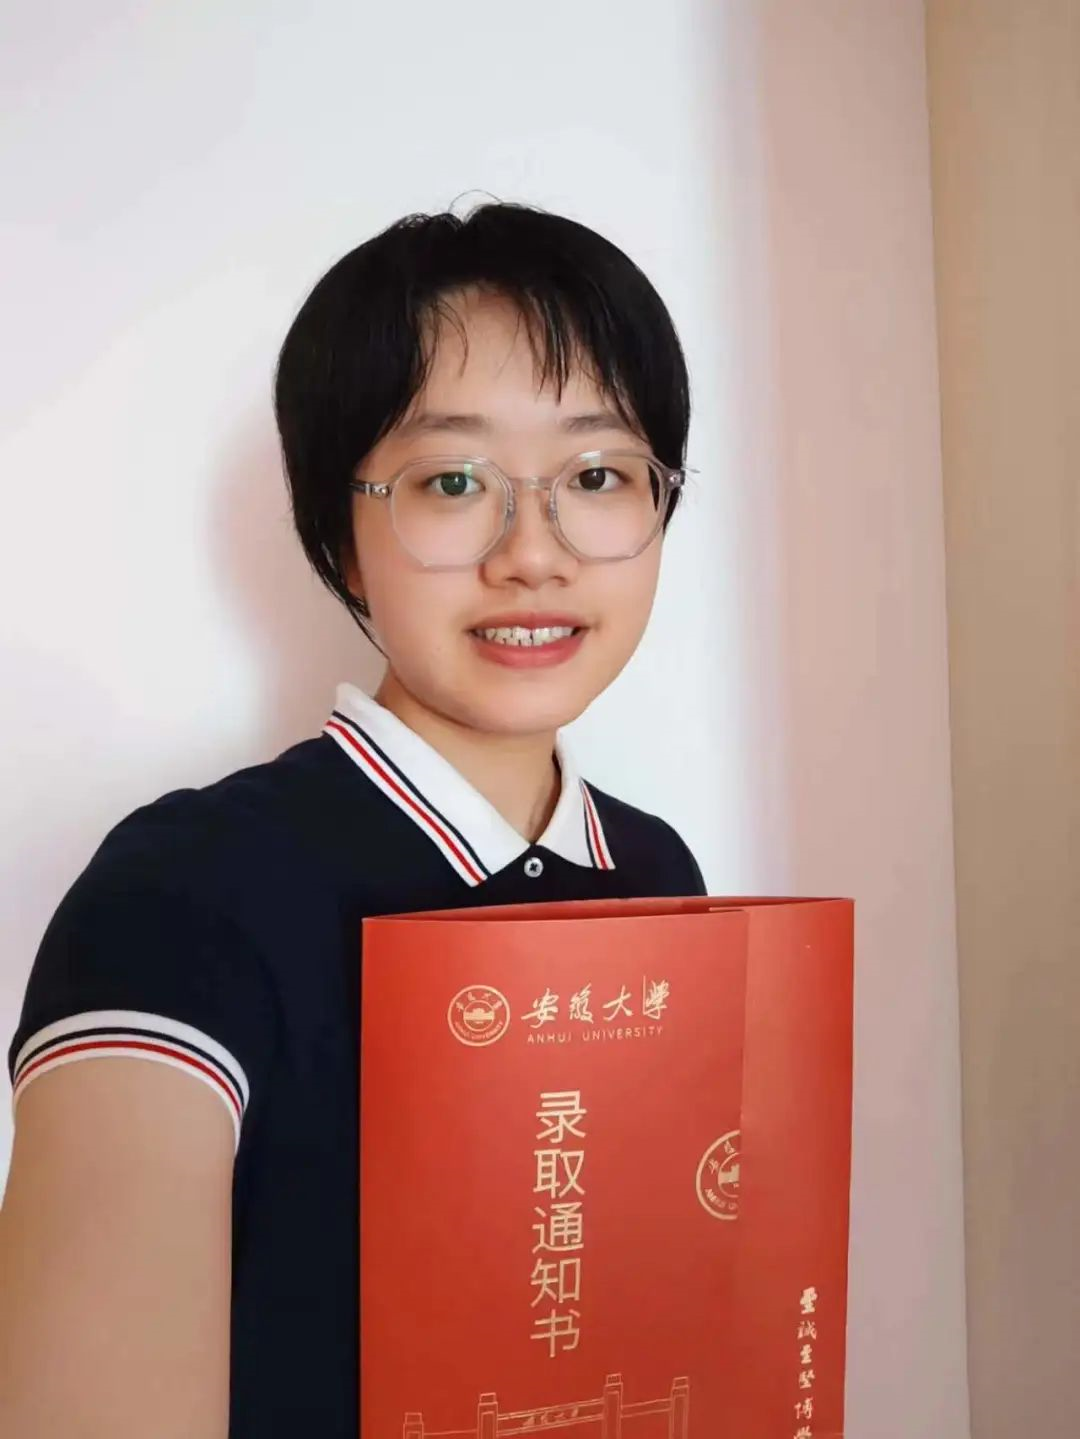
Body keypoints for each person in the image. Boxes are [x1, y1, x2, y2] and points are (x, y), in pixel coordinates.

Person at [0, 200, 706, 1438]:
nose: (532, 552)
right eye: (453, 480)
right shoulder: (182, 890)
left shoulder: (656, 872)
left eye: (597, 475)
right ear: (341, 532)